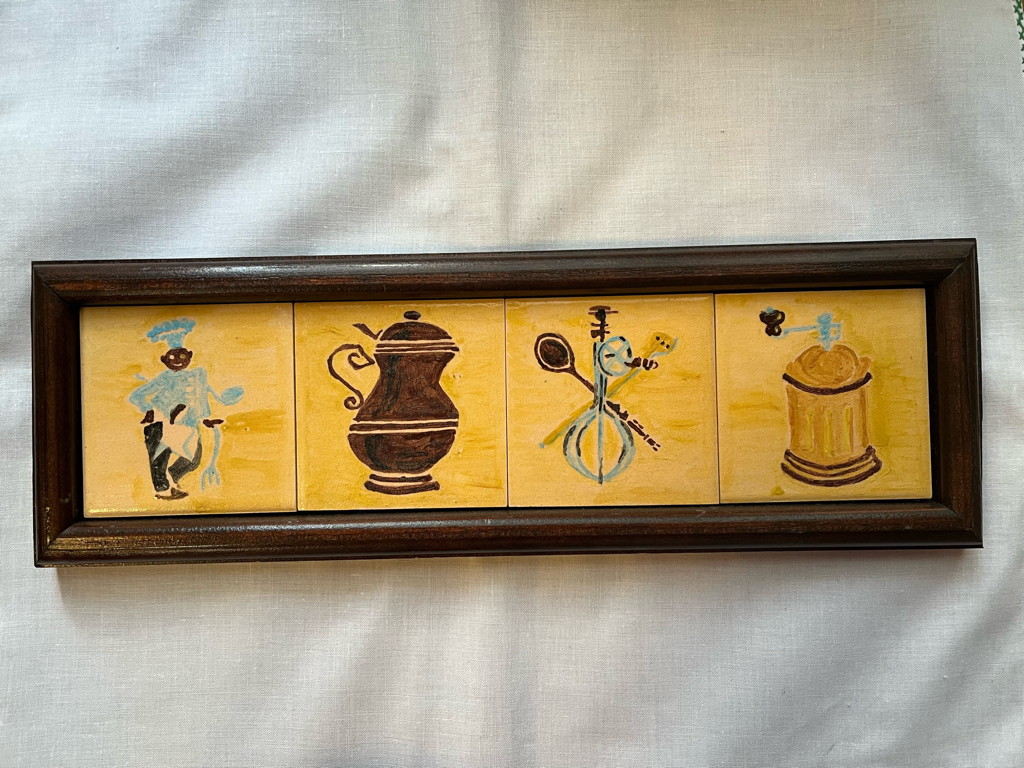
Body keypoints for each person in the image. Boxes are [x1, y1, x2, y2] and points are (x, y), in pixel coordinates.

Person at [128, 318, 243, 500]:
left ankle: (172, 479)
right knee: (159, 459)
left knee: (193, 459)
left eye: (182, 357)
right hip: (162, 422)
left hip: (187, 423)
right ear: (164, 360)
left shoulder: (197, 376)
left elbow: (200, 399)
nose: (177, 361)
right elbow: (136, 395)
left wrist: (205, 419)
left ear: (189, 356)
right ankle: (163, 490)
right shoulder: (165, 378)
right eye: (172, 358)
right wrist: (148, 410)